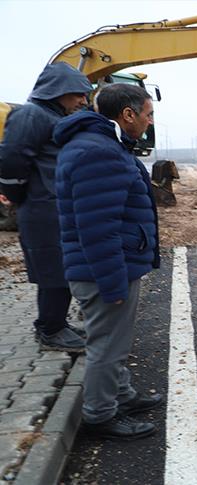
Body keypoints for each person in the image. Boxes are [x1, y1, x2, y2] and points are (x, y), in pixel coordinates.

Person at [53, 83, 162, 440]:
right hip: (104, 270)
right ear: (127, 114)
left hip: (108, 265)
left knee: (115, 340)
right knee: (107, 346)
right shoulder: (99, 152)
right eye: (147, 114)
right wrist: (112, 282)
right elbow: (98, 229)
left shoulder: (101, 145)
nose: (149, 121)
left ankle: (123, 395)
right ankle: (99, 415)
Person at [0, 62, 92, 352]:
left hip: (54, 206)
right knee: (53, 269)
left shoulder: (52, 117)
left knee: (62, 268)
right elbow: (13, 158)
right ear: (58, 90)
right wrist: (16, 194)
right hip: (42, 208)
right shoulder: (31, 115)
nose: (82, 100)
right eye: (78, 93)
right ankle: (50, 329)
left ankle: (56, 324)